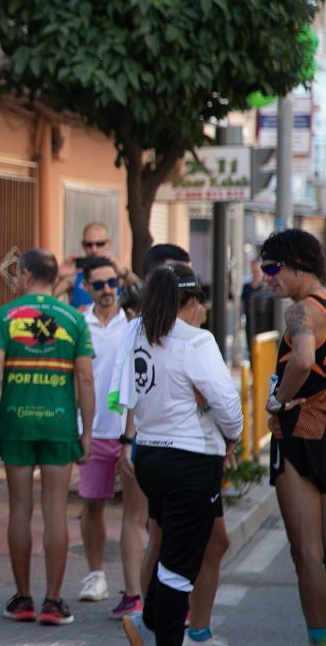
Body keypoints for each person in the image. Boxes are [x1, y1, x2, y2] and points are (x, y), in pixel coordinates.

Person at [118, 263, 242, 646]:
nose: (203, 310)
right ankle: (164, 635)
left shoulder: (134, 331)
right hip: (191, 459)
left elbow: (121, 393)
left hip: (150, 455)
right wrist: (234, 437)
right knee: (179, 566)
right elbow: (226, 402)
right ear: (187, 301)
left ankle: (149, 622)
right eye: (200, 302)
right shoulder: (195, 340)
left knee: (168, 545)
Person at [0, 248, 95, 626]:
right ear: (55, 278)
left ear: (25, 276)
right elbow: (85, 379)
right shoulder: (74, 319)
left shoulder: (4, 316)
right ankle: (53, 603)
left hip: (17, 422)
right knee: (55, 510)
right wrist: (87, 432)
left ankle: (23, 598)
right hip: (58, 425)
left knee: (20, 508)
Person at [260, 229, 326, 646]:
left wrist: (278, 400)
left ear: (297, 263)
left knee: (307, 554)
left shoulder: (302, 311)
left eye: (272, 266)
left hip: (301, 438)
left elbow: (302, 359)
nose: (267, 277)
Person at [74, 257, 146, 619]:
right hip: (93, 431)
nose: (107, 291)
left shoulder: (135, 324)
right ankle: (96, 575)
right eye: (98, 284)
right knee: (93, 506)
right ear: (85, 286)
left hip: (130, 433)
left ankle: (136, 587)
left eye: (112, 283)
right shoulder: (78, 323)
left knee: (136, 515)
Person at [55, 221, 139, 307]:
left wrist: (124, 273)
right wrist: (57, 275)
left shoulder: (120, 276)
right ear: (83, 246)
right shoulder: (73, 277)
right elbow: (45, 300)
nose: (94, 250)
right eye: (89, 245)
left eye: (99, 244)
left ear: (109, 244)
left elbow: (144, 293)